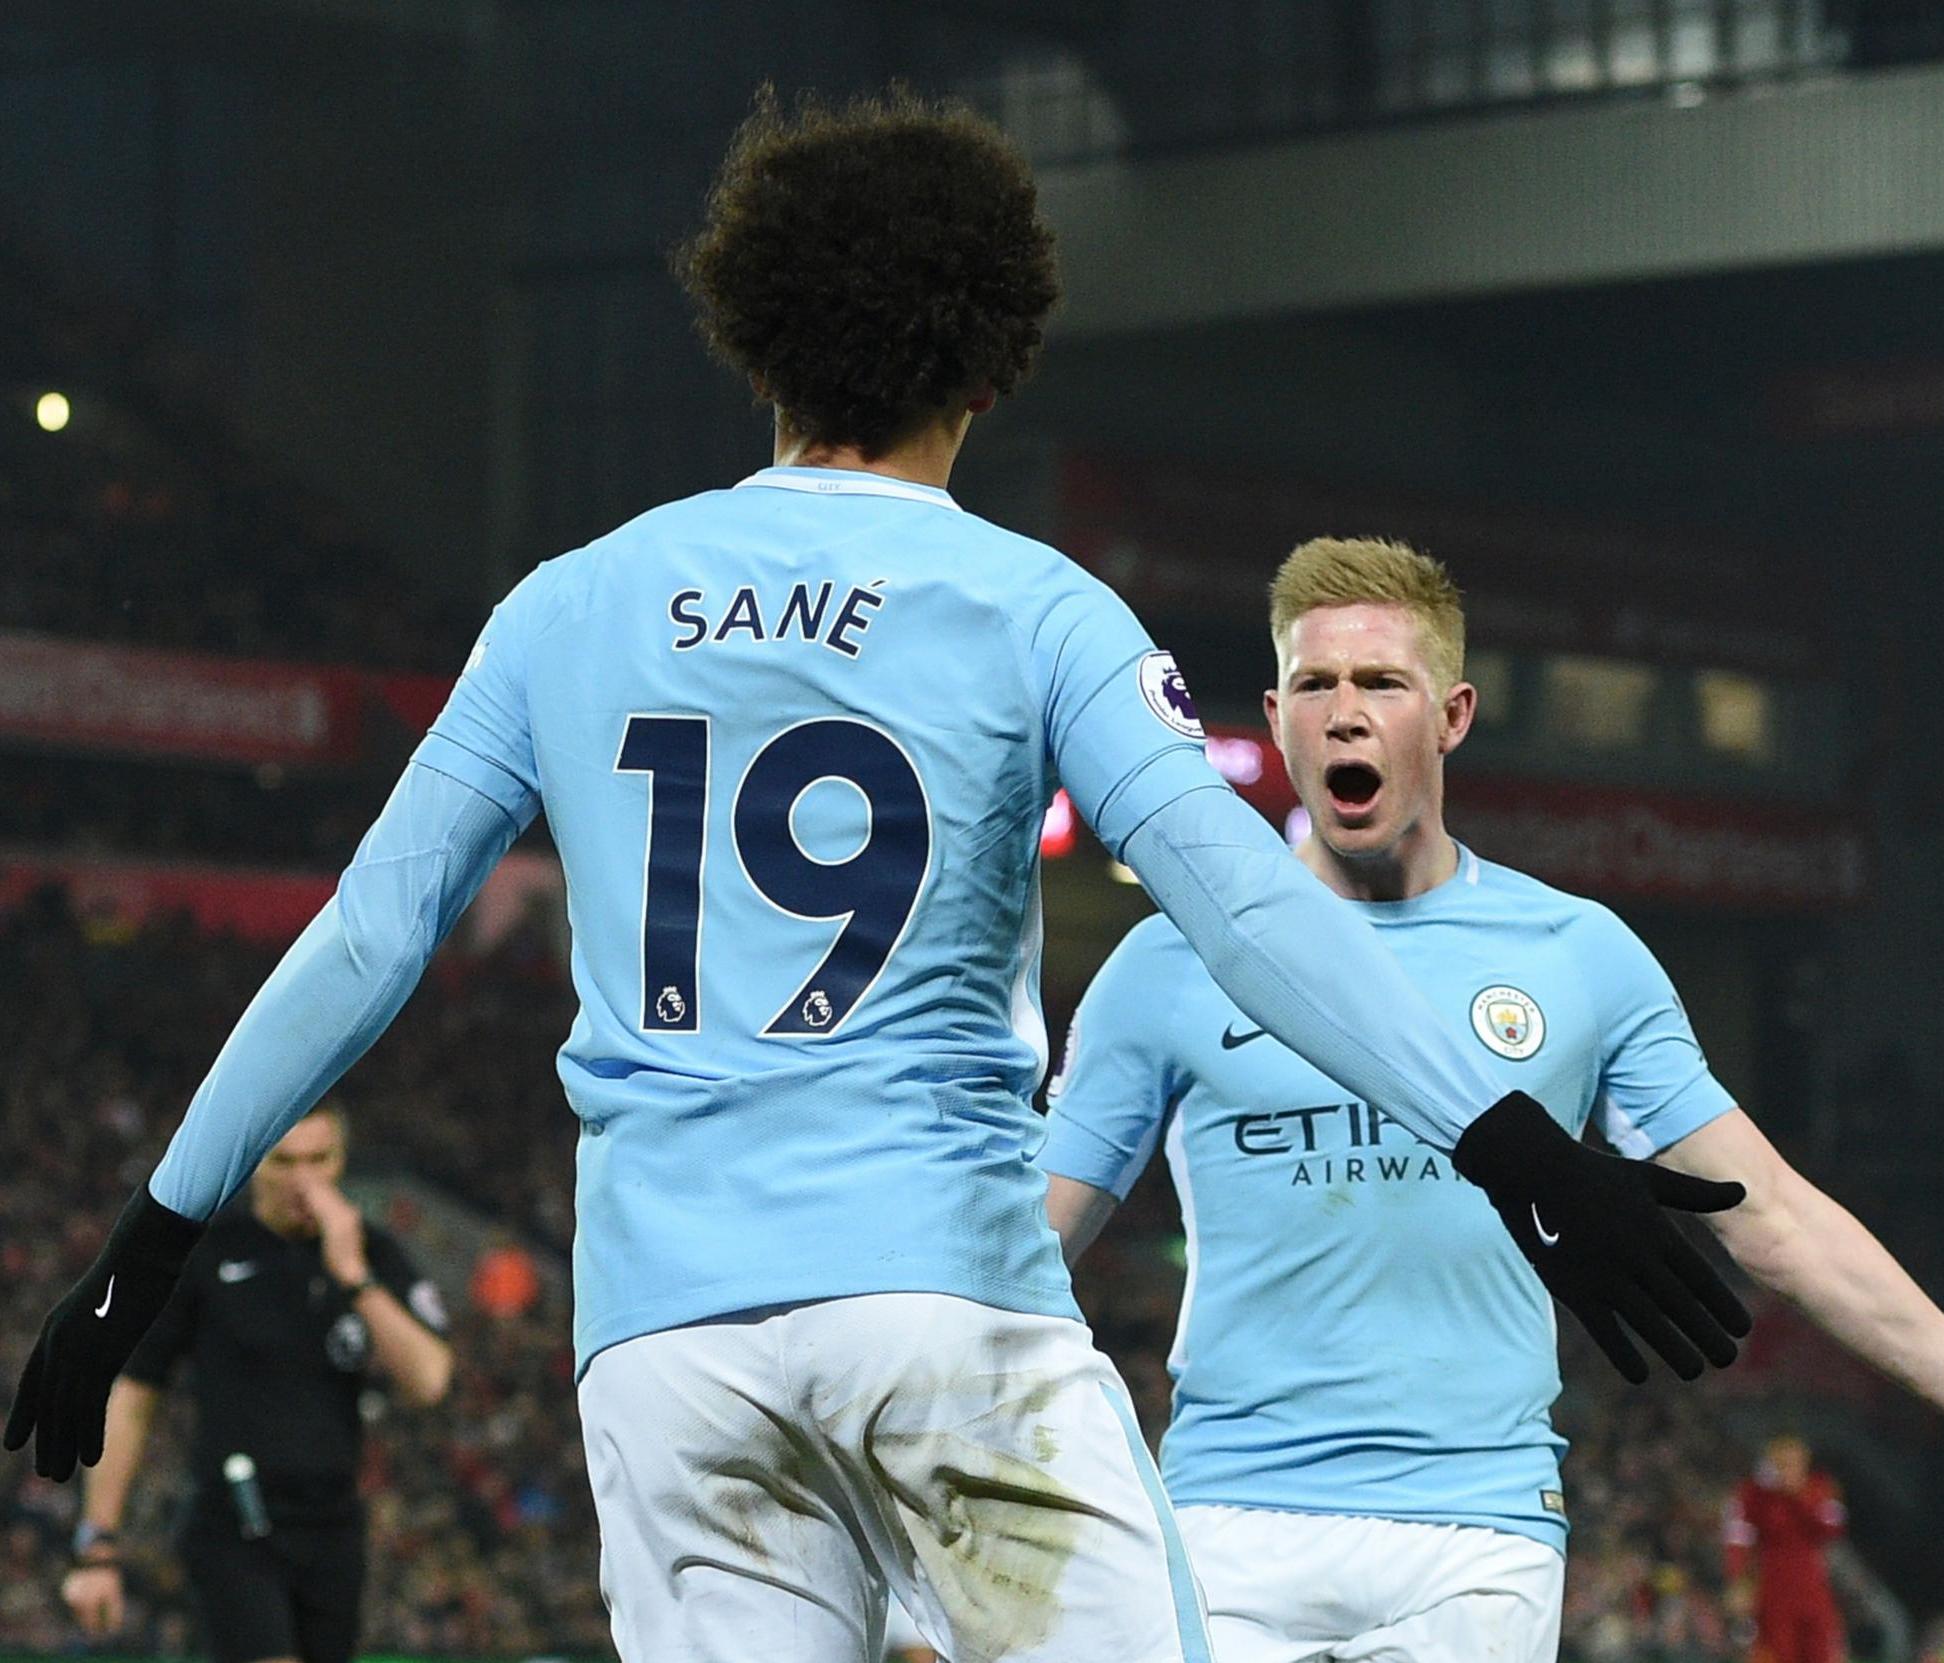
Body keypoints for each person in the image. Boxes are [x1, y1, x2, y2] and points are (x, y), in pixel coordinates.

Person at [7, 92, 1747, 1663]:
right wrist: (1508, 1139)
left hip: (665, 1353)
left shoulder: (566, 602)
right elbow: (1244, 904)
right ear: (989, 363)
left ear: (751, 340)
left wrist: (146, 1241)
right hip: (941, 1318)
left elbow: (369, 933)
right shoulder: (1036, 605)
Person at [1041, 536, 1944, 1663]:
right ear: (1280, 712)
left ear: (1449, 717)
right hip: (1228, 1521)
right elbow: (1033, 1236)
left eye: (1382, 682)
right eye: (1315, 683)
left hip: (1474, 1528)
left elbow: (1774, 1217)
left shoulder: (1574, 954)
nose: (1344, 711)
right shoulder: (1168, 964)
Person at [59, 1103, 451, 1663]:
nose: (305, 1180)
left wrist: (355, 1279)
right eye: (284, 1162)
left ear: (342, 1160)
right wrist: (98, 1543)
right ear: (254, 1166)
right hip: (233, 1525)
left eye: (320, 1160)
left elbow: (431, 1381)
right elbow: (134, 1396)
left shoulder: (372, 1252)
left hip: (334, 1529)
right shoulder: (209, 1252)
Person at [1725, 1434, 1848, 1663]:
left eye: (1795, 1463)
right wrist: (1739, 1579)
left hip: (1812, 1588)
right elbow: (1737, 1539)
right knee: (1777, 1653)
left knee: (1821, 1652)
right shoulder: (1753, 1495)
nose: (1789, 1470)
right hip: (1773, 1590)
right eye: (1782, 1464)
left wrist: (1799, 1498)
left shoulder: (1819, 1489)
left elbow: (1833, 1528)